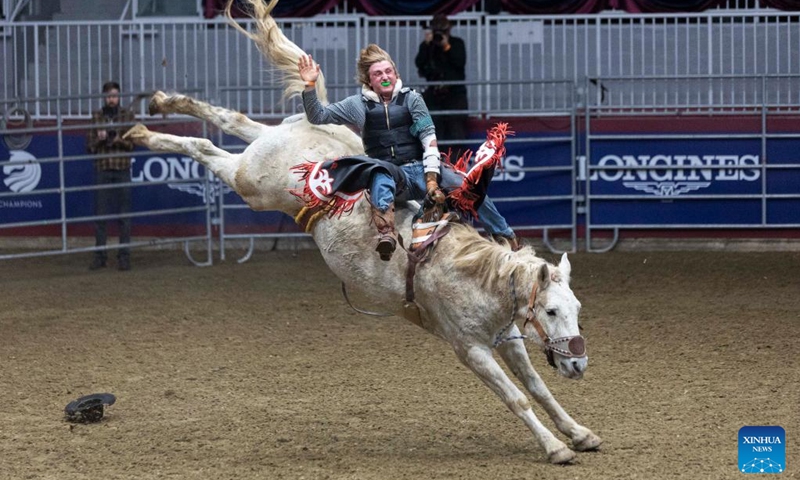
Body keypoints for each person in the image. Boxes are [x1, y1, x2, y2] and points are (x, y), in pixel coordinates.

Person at [299, 45, 518, 261]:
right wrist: (309, 84)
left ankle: (504, 234)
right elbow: (318, 116)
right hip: (392, 176)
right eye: (378, 74)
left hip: (422, 169)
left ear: (396, 73)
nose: (385, 77)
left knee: (467, 187)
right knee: (379, 173)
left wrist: (432, 180)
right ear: (368, 80)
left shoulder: (412, 99)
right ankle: (386, 234)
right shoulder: (357, 105)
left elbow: (428, 138)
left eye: (388, 71)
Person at [86, 81, 135, 271]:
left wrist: (119, 140)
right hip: (103, 167)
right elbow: (88, 146)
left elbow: (132, 144)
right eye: (108, 96)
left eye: (114, 95)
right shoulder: (96, 116)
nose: (111, 99)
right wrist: (99, 140)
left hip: (122, 168)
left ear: (119, 96)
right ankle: (100, 256)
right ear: (104, 97)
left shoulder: (127, 115)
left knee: (124, 215)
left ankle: (124, 256)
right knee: (100, 215)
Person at [414, 14, 469, 144]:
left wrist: (446, 46)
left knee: (456, 131)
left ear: (449, 30)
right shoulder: (428, 46)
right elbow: (419, 63)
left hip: (455, 94)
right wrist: (427, 45)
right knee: (433, 129)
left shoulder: (457, 43)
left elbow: (459, 62)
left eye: (443, 31)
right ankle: (436, 161)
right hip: (434, 93)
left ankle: (457, 163)